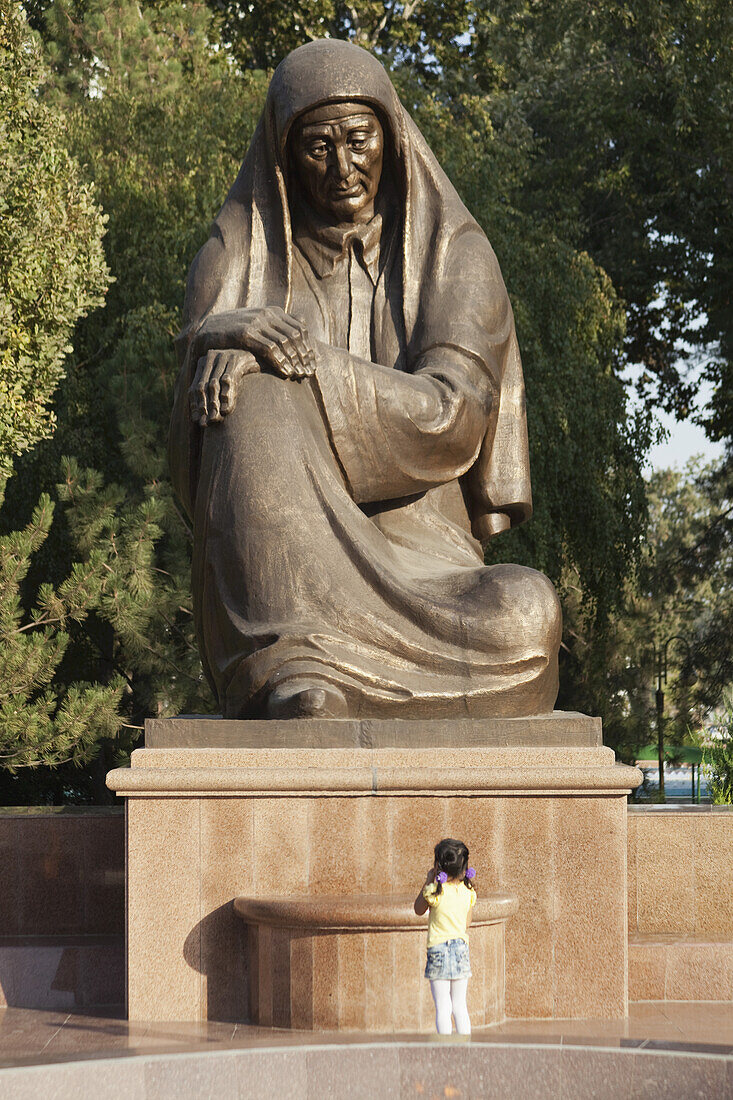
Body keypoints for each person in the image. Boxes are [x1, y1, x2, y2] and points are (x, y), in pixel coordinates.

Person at [169, 38, 562, 721]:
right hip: (283, 570)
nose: (342, 167)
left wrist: (307, 362)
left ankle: (328, 670)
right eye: (317, 146)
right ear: (284, 154)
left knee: (526, 610)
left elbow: (453, 418)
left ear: (391, 137)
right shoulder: (235, 253)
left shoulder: (456, 256)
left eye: (359, 139)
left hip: (426, 558)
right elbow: (193, 449)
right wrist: (214, 341)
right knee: (244, 387)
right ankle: (295, 664)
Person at [414, 838, 477, 1036]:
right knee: (460, 1006)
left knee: (443, 1006)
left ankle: (446, 1048)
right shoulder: (468, 892)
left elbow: (417, 910)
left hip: (438, 950)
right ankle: (465, 1049)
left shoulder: (434, 892)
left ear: (438, 866)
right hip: (460, 949)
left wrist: (429, 880)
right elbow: (466, 923)